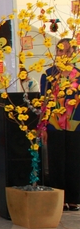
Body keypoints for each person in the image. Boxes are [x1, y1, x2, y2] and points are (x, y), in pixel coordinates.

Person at [40, 38, 80, 211]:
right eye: (59, 51)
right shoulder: (48, 75)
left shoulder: (78, 75)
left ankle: (74, 198)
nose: (62, 54)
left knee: (75, 162)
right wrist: (43, 127)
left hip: (75, 125)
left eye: (66, 51)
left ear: (72, 53)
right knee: (56, 162)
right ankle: (59, 198)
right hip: (54, 125)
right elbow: (44, 103)